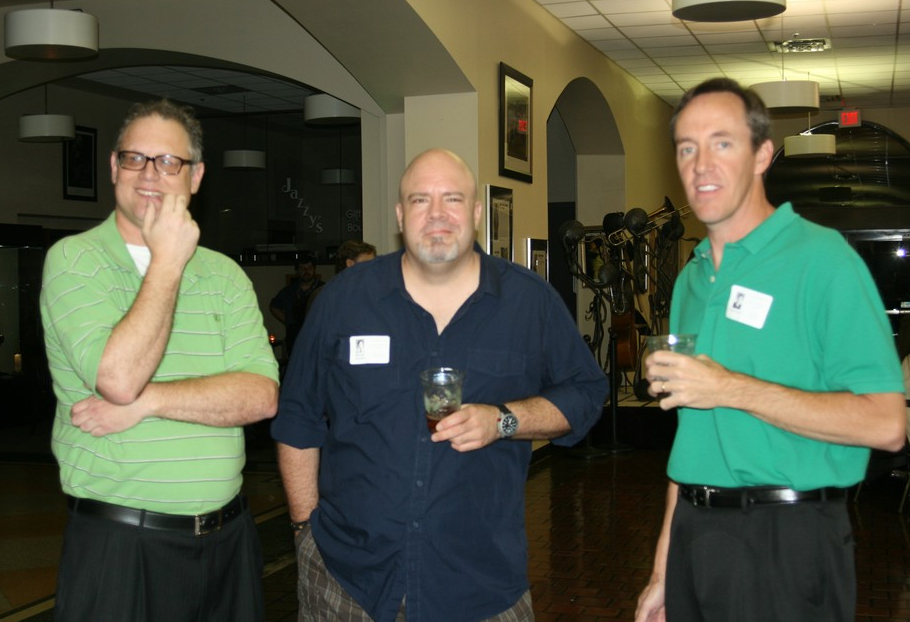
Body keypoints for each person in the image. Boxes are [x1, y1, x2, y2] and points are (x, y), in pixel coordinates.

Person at [272, 148, 608, 622]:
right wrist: (304, 528)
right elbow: (298, 416)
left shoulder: (529, 302)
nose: (436, 214)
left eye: (452, 199)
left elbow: (586, 393)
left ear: (476, 212)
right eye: (420, 200)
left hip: (479, 586)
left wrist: (504, 419)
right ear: (399, 215)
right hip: (347, 584)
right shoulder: (344, 300)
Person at [634, 78, 907, 622]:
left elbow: (887, 424)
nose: (701, 164)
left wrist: (731, 388)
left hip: (788, 538)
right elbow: (693, 438)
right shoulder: (691, 279)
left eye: (722, 143)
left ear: (762, 155)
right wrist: (664, 568)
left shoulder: (823, 260)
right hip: (694, 532)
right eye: (687, 148)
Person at [39, 99, 280, 622]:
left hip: (229, 541)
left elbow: (261, 397)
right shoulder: (75, 261)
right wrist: (167, 260)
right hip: (122, 546)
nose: (149, 174)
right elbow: (118, 379)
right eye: (135, 158)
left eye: (169, 162)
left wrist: (148, 403)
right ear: (113, 167)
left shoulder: (225, 276)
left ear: (196, 177)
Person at [270, 254, 325, 353]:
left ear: (314, 270)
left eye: (309, 268)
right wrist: (288, 321)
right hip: (295, 334)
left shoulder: (323, 289)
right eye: (302, 268)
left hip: (317, 333)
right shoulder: (289, 291)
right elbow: (274, 306)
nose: (306, 271)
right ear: (297, 271)